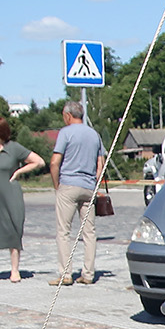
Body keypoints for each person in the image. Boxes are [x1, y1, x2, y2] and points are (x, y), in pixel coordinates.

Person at [0, 115, 45, 283]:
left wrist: (20, 171)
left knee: (14, 229)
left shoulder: (13, 148)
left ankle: (15, 270)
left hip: (10, 194)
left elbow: (39, 161)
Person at [49, 102, 106, 285]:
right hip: (89, 187)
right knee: (89, 232)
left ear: (67, 115)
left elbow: (55, 162)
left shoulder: (65, 133)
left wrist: (56, 184)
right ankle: (88, 274)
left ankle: (66, 274)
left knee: (64, 231)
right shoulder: (94, 134)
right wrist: (94, 181)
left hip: (68, 184)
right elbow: (101, 164)